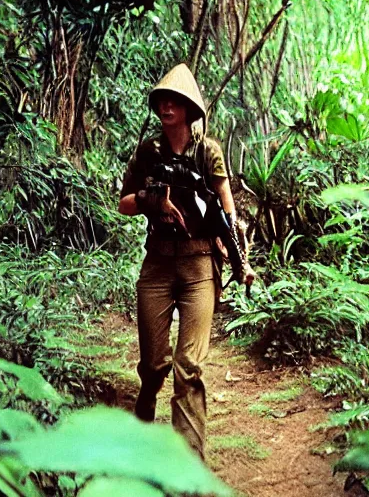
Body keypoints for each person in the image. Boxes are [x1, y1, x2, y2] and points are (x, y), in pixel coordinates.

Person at [118, 63, 252, 461]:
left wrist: (235, 251)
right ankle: (143, 422)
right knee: (154, 366)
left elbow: (225, 203)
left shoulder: (206, 151)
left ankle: (188, 466)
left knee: (188, 365)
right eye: (162, 100)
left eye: (174, 101)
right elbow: (123, 204)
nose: (166, 106)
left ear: (189, 109)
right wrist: (150, 199)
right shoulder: (149, 152)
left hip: (198, 266)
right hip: (157, 265)